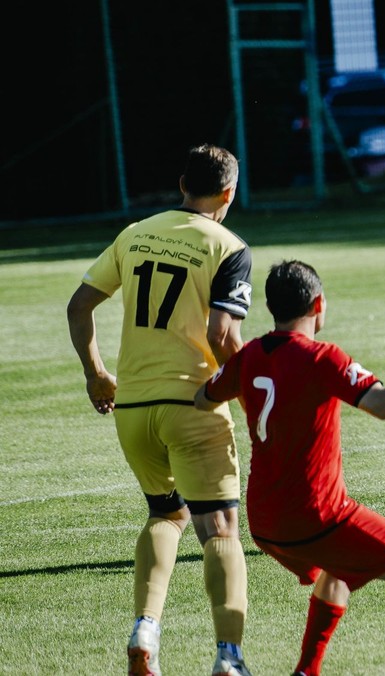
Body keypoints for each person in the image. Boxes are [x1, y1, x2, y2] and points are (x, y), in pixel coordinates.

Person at [195, 260, 385, 676]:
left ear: (271, 308)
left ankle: (307, 670)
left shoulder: (249, 355)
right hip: (317, 516)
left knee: (336, 571)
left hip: (265, 522)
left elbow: (204, 397)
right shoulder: (322, 357)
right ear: (319, 305)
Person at [66, 144, 253, 676]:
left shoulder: (134, 233)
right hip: (193, 402)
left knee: (164, 513)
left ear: (180, 184)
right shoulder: (228, 245)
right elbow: (223, 334)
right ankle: (228, 658)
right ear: (229, 193)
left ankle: (145, 629)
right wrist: (245, 391)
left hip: (132, 407)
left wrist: (96, 373)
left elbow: (80, 304)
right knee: (218, 528)